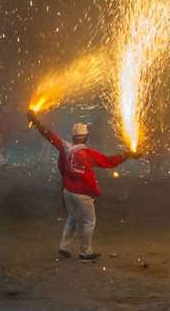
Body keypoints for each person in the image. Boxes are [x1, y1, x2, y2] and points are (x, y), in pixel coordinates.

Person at [26, 110, 140, 262]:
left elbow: (49, 136)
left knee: (72, 218)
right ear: (86, 137)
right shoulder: (89, 154)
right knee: (89, 221)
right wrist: (128, 155)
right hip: (82, 194)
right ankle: (85, 252)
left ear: (73, 137)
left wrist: (37, 123)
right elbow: (109, 161)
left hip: (68, 191)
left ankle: (64, 248)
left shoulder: (65, 147)